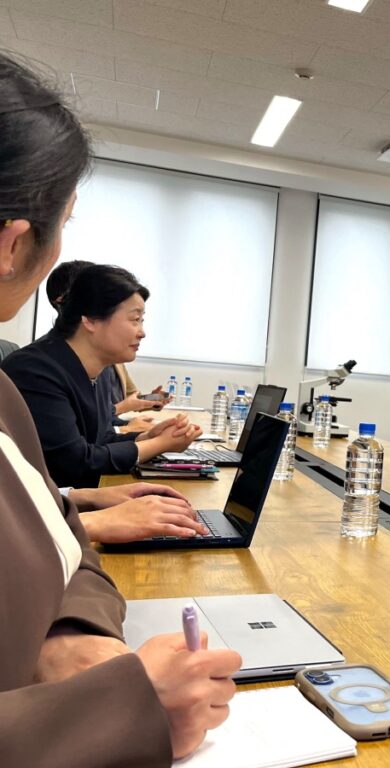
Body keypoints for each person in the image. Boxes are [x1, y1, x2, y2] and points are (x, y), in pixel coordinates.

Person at [0, 51, 239, 766]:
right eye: (64, 222)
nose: (140, 332)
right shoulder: (26, 376)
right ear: (15, 243)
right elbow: (69, 505)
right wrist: (108, 708)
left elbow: (65, 543)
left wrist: (69, 639)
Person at [2, 263, 201, 488]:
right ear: (90, 319)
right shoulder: (35, 370)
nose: (142, 332)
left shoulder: (101, 369)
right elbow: (74, 462)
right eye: (134, 319)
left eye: (142, 320)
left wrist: (147, 437)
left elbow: (101, 439)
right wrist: (160, 445)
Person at [46, 259, 169, 426]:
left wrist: (149, 405)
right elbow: (84, 436)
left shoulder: (107, 360)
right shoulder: (48, 367)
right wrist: (131, 429)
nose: (142, 333)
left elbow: (101, 432)